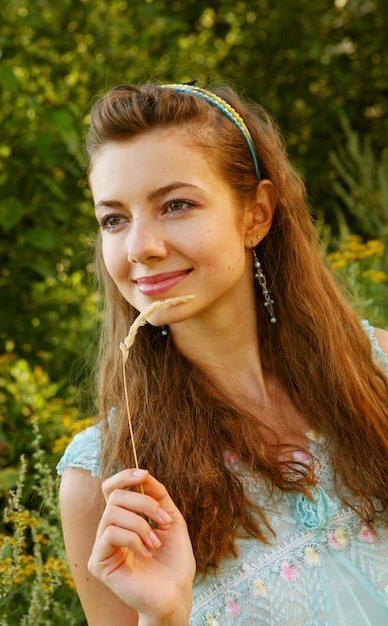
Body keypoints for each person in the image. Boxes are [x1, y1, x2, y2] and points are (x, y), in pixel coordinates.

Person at [57, 81, 388, 626]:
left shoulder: (377, 371)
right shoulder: (106, 480)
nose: (141, 246)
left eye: (176, 205)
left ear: (255, 214)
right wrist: (163, 617)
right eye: (114, 219)